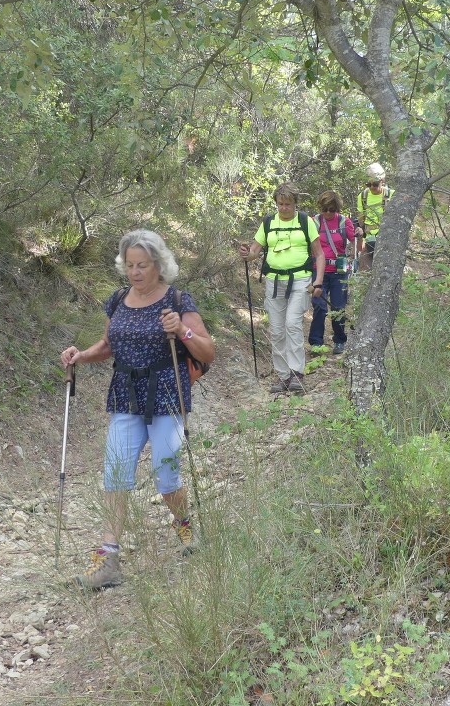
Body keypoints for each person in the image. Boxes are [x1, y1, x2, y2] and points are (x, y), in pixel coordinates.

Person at [60, 230, 215, 590]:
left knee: (166, 475)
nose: (135, 272)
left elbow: (208, 352)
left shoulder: (177, 300)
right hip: (126, 394)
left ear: (158, 265)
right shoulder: (117, 301)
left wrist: (183, 333)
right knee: (115, 474)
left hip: (166, 394)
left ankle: (185, 527)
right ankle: (108, 561)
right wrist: (81, 355)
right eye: (129, 265)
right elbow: (108, 344)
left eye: (142, 265)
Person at [239, 182, 325, 394]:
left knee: (292, 324)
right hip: (274, 282)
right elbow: (254, 252)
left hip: (300, 281)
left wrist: (318, 281)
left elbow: (319, 254)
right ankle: (282, 375)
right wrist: (246, 254)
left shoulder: (306, 221)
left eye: (288, 204)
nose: (284, 208)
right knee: (276, 330)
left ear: (295, 203)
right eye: (280, 204)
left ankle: (297, 373)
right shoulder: (268, 222)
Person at [308, 190, 362, 355]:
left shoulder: (344, 222)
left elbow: (357, 245)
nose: (328, 213)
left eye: (332, 209)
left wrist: (359, 238)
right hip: (318, 271)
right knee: (319, 307)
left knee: (338, 307)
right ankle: (316, 343)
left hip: (339, 272)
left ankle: (340, 341)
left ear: (337, 208)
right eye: (325, 209)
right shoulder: (313, 222)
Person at [357, 162, 391, 271]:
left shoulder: (391, 195)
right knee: (365, 275)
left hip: (387, 242)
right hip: (368, 241)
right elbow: (361, 219)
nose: (371, 187)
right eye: (368, 184)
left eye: (375, 184)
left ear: (382, 181)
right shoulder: (362, 196)